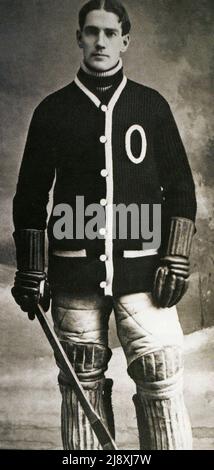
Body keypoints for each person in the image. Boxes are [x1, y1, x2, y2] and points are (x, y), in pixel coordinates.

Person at [12, 0, 197, 450]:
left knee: (161, 373)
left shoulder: (150, 106)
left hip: (143, 271)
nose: (100, 41)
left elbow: (181, 189)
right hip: (74, 271)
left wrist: (174, 255)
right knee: (81, 383)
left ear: (125, 41)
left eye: (110, 33)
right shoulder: (52, 111)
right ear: (79, 37)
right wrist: (32, 269)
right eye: (91, 32)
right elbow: (31, 197)